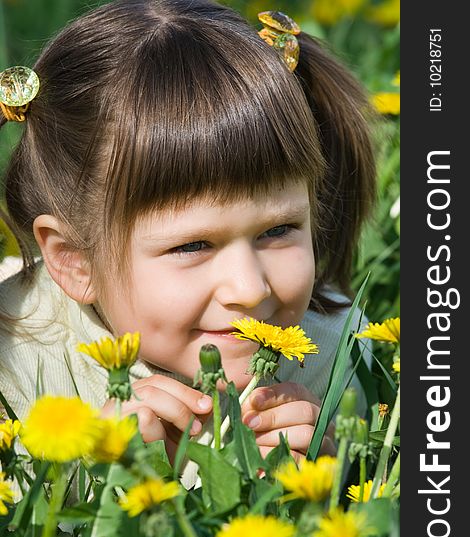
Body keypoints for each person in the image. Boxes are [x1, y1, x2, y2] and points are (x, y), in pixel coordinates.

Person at [0, 0, 376, 488]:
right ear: (76, 262)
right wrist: (97, 482)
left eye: (278, 230)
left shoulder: (339, 350)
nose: (248, 287)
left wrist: (327, 483)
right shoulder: (15, 367)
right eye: (192, 245)